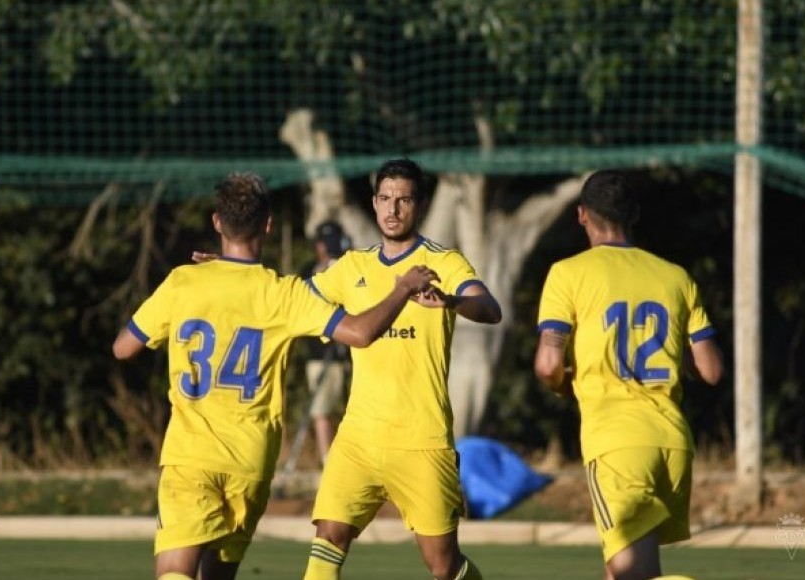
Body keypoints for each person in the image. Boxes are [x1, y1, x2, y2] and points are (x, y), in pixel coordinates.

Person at [111, 172, 439, 580]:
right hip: (251, 462)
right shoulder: (284, 293)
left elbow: (123, 348)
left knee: (175, 571)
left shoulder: (183, 282)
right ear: (267, 225)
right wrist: (402, 288)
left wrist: (194, 292)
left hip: (189, 457)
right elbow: (360, 332)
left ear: (217, 222)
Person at [302, 158, 502, 580]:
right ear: (374, 204)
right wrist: (234, 275)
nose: (393, 210)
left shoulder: (444, 262)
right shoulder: (351, 266)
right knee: (327, 540)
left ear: (420, 205)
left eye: (404, 200)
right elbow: (286, 301)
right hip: (358, 437)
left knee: (444, 566)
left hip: (422, 440)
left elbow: (489, 307)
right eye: (386, 199)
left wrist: (451, 302)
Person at [533, 169, 724, 580]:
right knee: (628, 567)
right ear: (633, 215)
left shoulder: (568, 273)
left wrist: (565, 385)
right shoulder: (676, 276)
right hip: (672, 443)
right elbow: (710, 370)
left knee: (628, 573)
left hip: (618, 444)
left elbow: (548, 364)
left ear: (582, 214)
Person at [300, 221, 352, 464]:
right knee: (321, 412)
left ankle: (347, 462)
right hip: (319, 355)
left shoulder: (348, 270)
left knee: (348, 412)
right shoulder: (308, 272)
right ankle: (327, 461)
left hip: (347, 353)